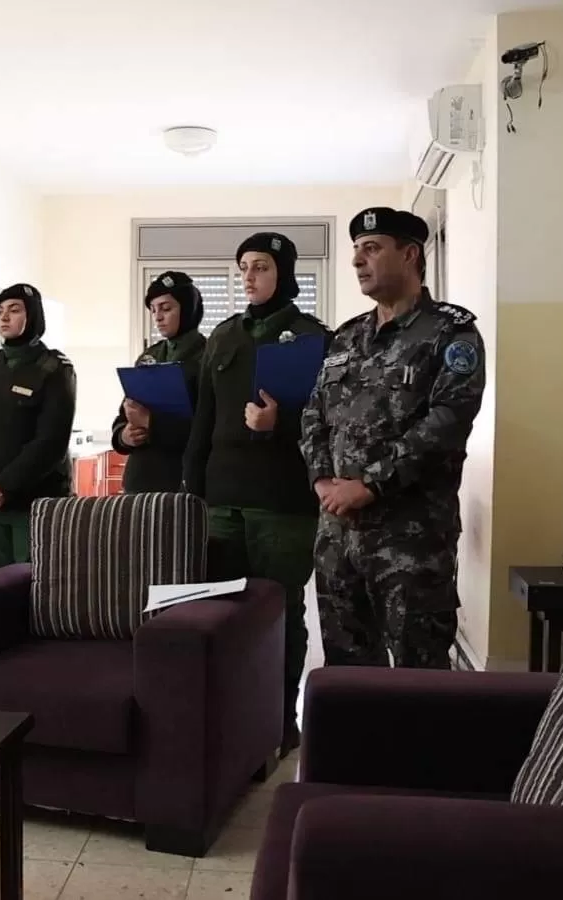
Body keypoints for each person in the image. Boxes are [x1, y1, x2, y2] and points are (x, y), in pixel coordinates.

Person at [300, 208, 484, 672]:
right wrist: (322, 479)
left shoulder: (450, 332)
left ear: (410, 255)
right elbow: (314, 414)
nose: (357, 260)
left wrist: (371, 484)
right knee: (347, 672)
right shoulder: (346, 338)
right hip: (338, 536)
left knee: (417, 675)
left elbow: (448, 420)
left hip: (410, 540)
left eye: (372, 248)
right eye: (356, 250)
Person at [183, 232, 328, 754]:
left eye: (261, 266)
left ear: (283, 273)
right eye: (243, 266)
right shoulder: (223, 336)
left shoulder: (314, 338)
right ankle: (230, 721)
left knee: (280, 612)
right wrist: (192, 488)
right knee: (220, 611)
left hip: (283, 502)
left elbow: (330, 422)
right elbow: (202, 420)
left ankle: (281, 720)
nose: (248, 276)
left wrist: (279, 423)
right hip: (222, 499)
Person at [0, 283, 76, 569]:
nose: (4, 317)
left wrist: (3, 486)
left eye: (14, 310)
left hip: (33, 504)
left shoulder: (54, 368)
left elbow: (51, 442)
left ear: (32, 316)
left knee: (33, 583)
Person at [111, 271, 206, 493]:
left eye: (166, 308)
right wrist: (124, 435)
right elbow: (124, 414)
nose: (158, 317)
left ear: (187, 309)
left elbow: (206, 428)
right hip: (139, 481)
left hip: (181, 481)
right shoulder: (149, 356)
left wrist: (150, 423)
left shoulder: (208, 356)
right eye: (153, 310)